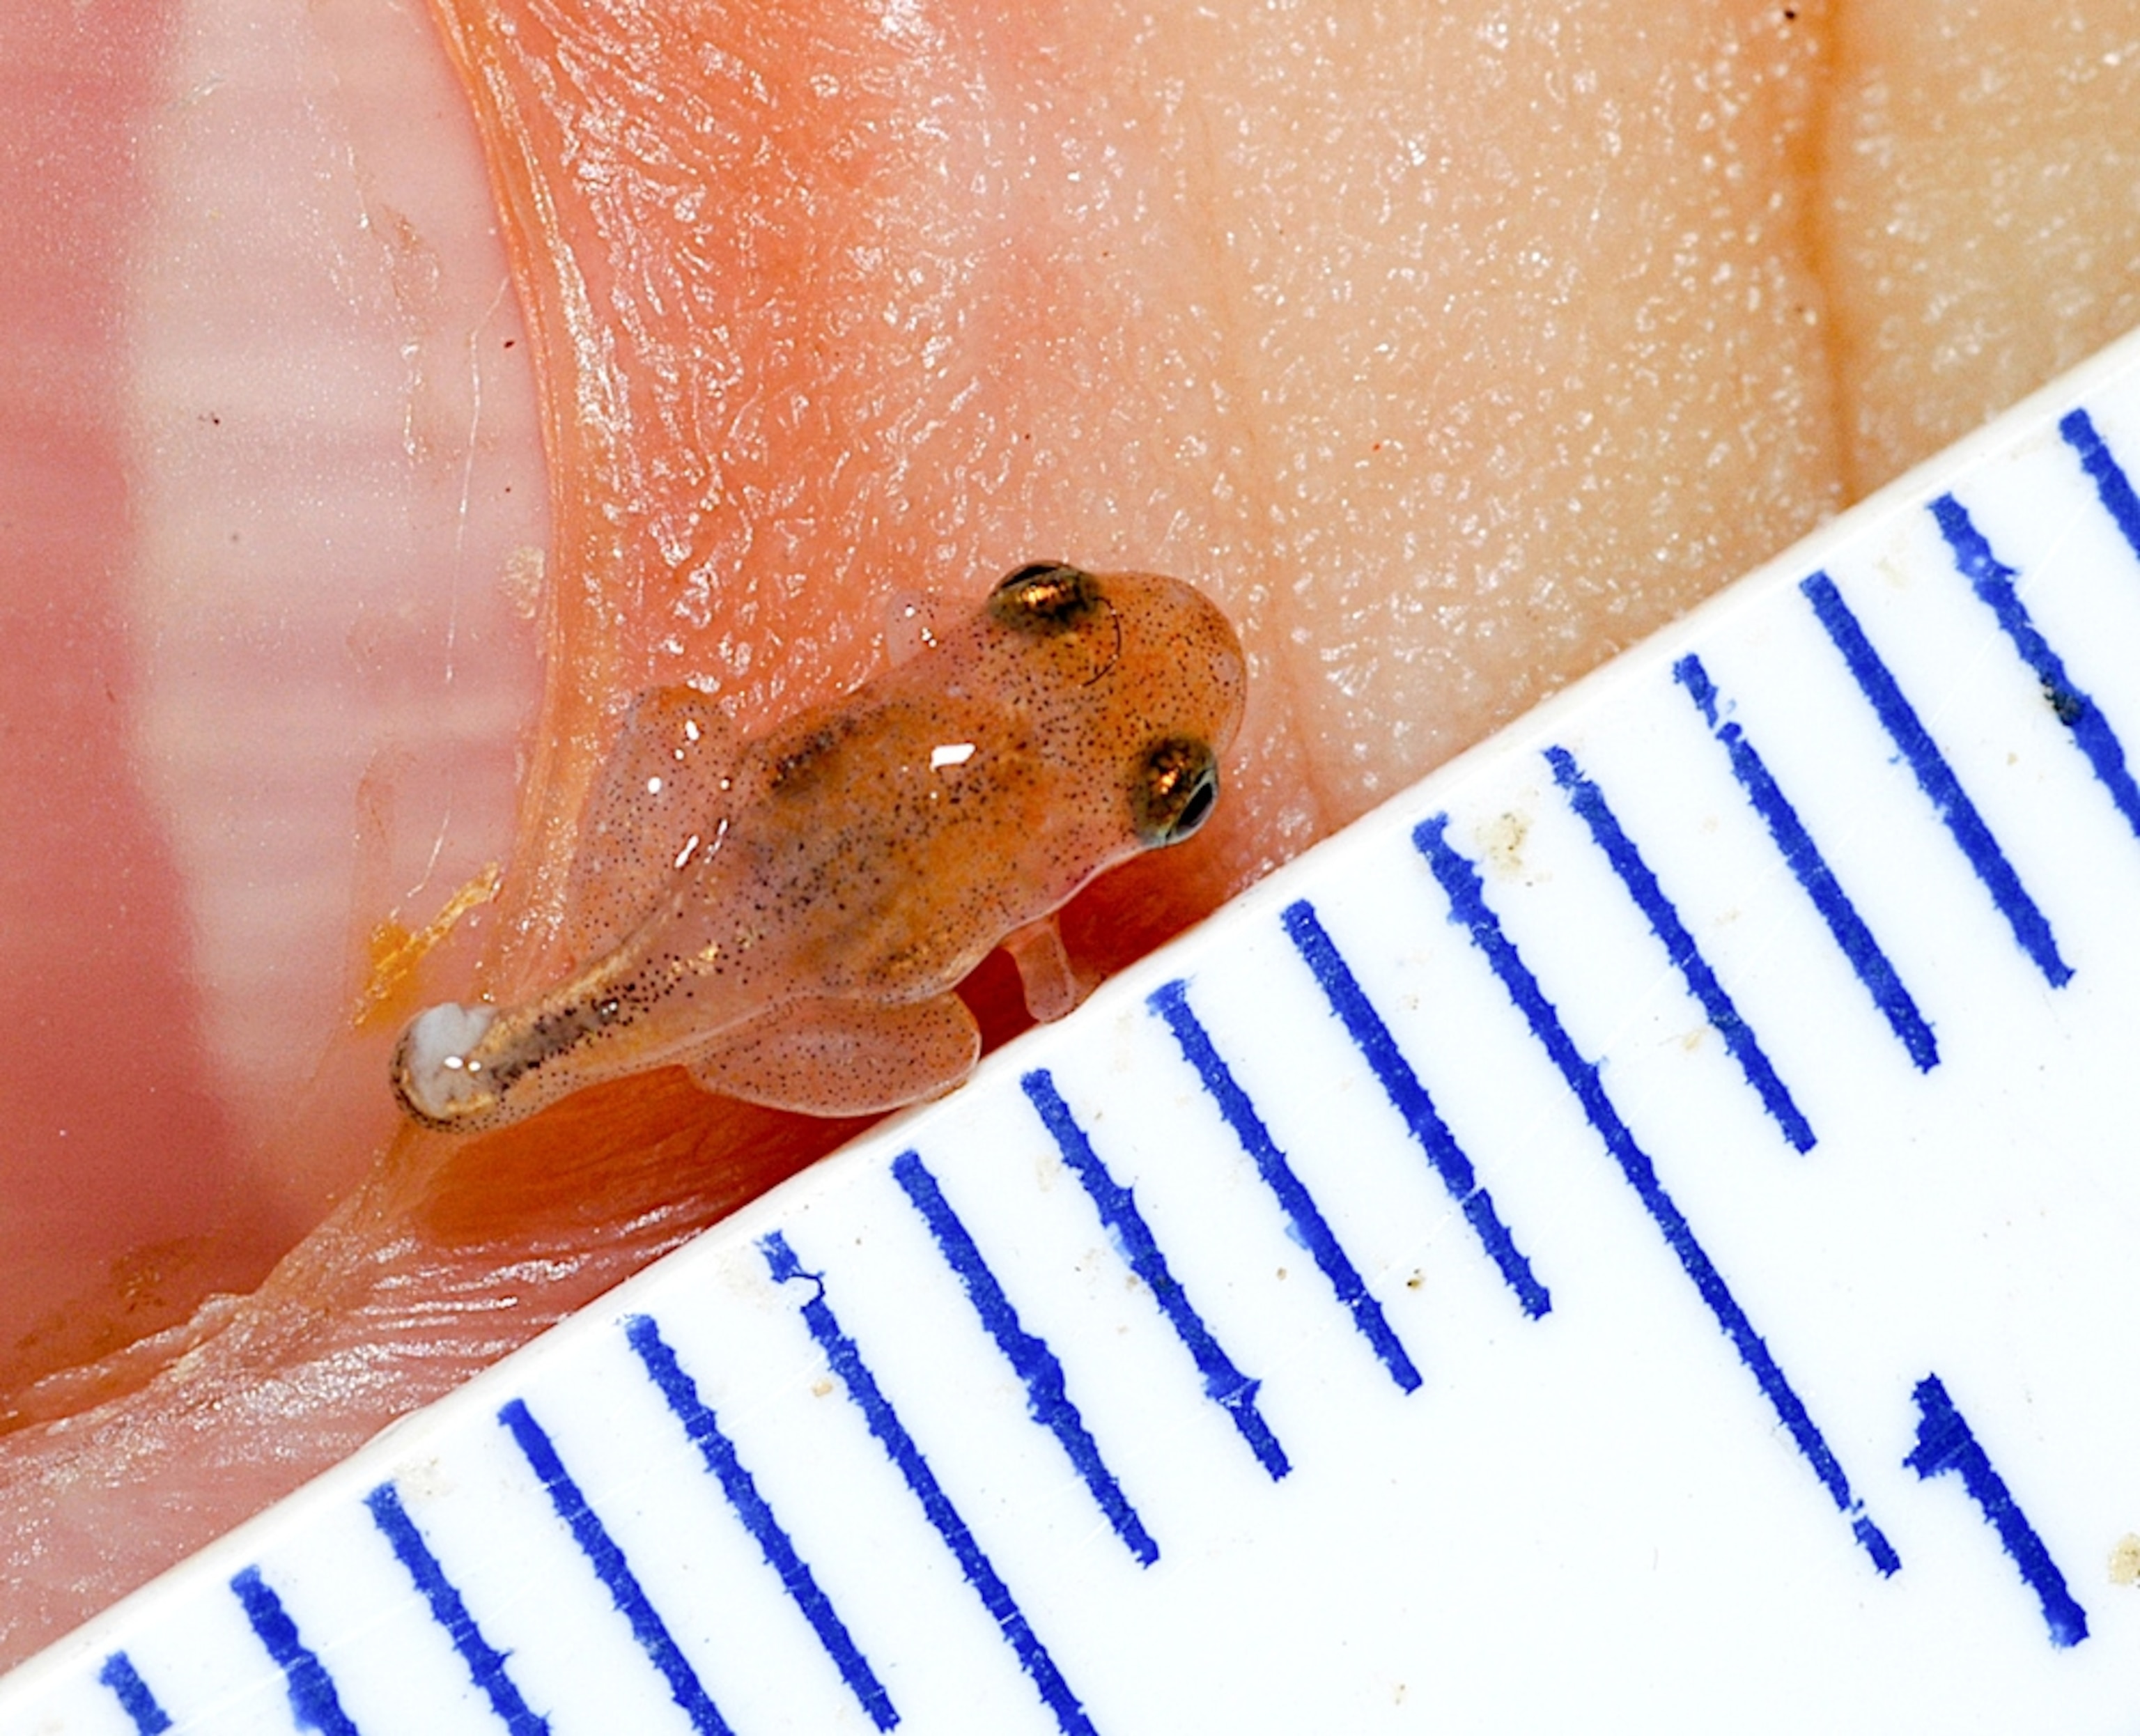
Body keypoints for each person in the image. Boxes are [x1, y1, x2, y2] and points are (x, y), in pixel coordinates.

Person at [3, 0, 2138, 1667]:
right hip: (754, 932)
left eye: (1166, 789)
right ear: (1015, 646)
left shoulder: (971, 702)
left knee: (697, 774)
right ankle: (562, 1026)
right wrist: (997, 957)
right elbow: (949, 940)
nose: (1057, 627)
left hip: (731, 893)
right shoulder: (1019, 826)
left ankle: (551, 1017)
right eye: (1049, 618)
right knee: (918, 1043)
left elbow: (728, 722)